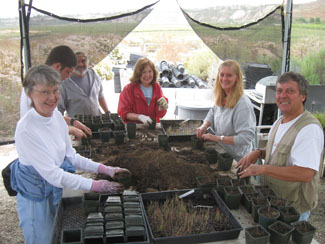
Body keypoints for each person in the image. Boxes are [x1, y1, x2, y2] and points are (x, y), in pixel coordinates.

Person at [11, 65, 130, 244]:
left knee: (57, 233)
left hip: (53, 187)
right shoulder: (26, 129)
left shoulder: (57, 117)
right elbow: (53, 173)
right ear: (30, 94)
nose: (52, 98)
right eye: (44, 92)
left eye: (55, 90)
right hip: (35, 193)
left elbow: (71, 156)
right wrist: (95, 185)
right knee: (42, 238)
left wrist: (105, 169)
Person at [237, 72, 324, 221]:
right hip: (273, 201)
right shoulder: (280, 121)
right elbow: (278, 152)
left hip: (292, 210)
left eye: (290, 91)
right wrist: (258, 153)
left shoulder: (309, 129)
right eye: (279, 91)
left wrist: (263, 169)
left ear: (303, 96)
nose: (282, 95)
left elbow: (305, 173)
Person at [19, 45, 91, 140]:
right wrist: (70, 129)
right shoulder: (36, 85)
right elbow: (41, 126)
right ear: (57, 66)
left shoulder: (46, 84)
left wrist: (73, 122)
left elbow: (53, 116)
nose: (69, 76)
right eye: (68, 72)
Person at [196, 59, 256, 162]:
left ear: (237, 78)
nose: (224, 78)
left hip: (238, 159)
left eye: (229, 75)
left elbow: (246, 138)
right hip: (224, 152)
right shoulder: (223, 96)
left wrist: (217, 138)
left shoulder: (242, 105)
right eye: (222, 75)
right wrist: (204, 126)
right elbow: (213, 112)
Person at [58, 51, 110, 118]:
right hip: (77, 125)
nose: (80, 64)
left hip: (96, 122)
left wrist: (107, 112)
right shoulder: (65, 82)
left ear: (87, 62)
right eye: (76, 62)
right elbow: (60, 108)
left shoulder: (94, 75)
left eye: (83, 61)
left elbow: (100, 96)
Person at [118, 57, 168, 124]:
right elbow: (123, 113)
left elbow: (160, 115)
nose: (147, 75)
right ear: (138, 73)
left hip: (152, 128)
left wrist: (162, 108)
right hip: (135, 128)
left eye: (150, 71)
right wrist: (139, 117)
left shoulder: (156, 88)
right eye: (144, 72)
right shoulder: (129, 89)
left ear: (154, 72)